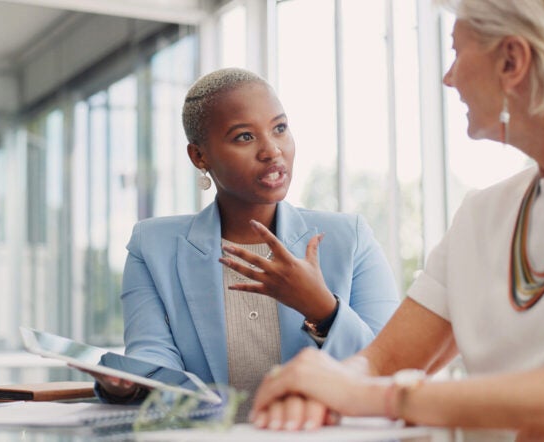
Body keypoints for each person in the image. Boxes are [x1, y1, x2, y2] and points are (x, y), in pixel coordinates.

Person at [247, 0, 544, 437]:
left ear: (511, 61)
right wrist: (317, 386)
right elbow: (380, 363)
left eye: (456, 51)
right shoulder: (482, 215)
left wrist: (387, 397)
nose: (449, 78)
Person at [91, 67, 400, 421]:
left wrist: (323, 310)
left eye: (280, 128)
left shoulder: (350, 238)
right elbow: (153, 360)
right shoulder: (152, 247)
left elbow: (390, 368)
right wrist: (128, 383)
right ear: (199, 157)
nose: (272, 151)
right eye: (244, 137)